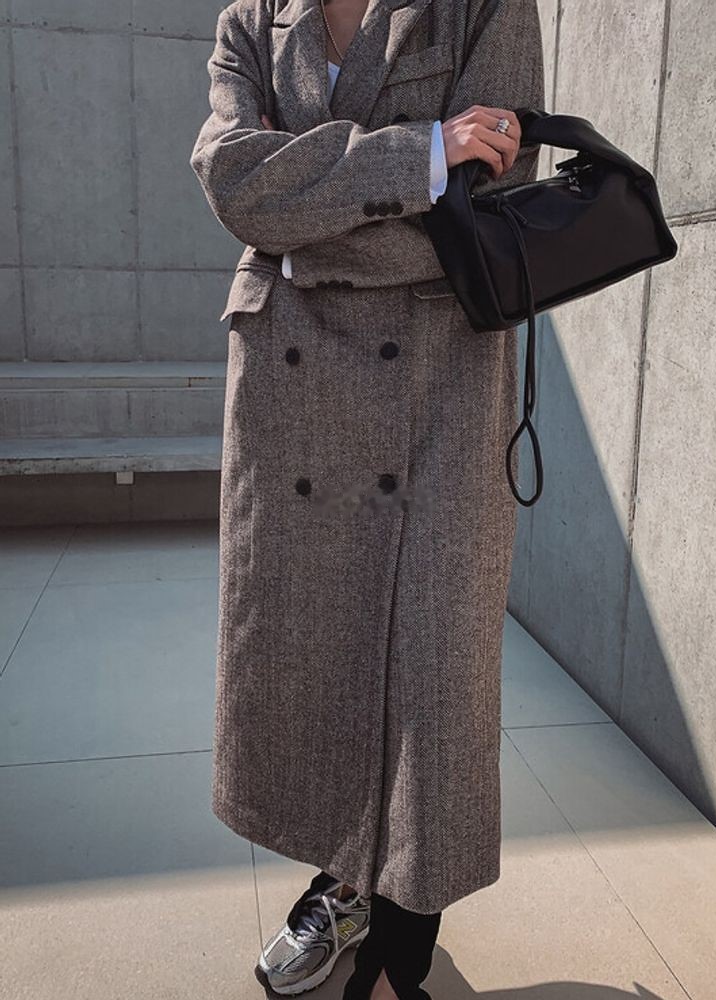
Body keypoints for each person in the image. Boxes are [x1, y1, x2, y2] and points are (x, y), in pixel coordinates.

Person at [190, 1, 544, 997]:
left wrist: (303, 224)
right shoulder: (251, 20)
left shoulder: (482, 6)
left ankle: (401, 954)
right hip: (291, 396)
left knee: (432, 672)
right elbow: (230, 178)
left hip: (439, 385)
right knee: (319, 656)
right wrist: (420, 155)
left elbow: (488, 200)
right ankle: (344, 882)